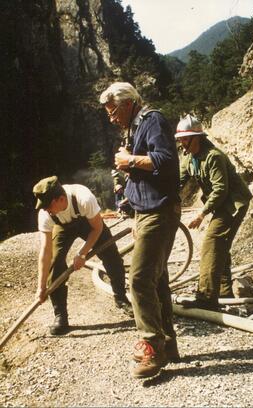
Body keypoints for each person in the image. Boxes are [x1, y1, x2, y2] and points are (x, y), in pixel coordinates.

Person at [100, 82, 181, 379]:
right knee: (157, 277)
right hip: (148, 211)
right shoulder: (135, 127)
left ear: (127, 103)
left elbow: (167, 161)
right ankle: (168, 344)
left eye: (112, 110)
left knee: (139, 279)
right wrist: (135, 215)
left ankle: (151, 347)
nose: (110, 117)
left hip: (158, 210)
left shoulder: (152, 120)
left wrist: (129, 160)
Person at [32, 176, 133, 336]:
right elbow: (45, 251)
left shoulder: (83, 197)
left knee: (111, 256)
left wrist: (82, 253)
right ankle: (60, 316)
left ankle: (121, 298)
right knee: (54, 262)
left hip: (89, 224)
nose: (46, 210)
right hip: (62, 227)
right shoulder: (46, 213)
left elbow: (97, 228)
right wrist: (41, 287)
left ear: (61, 199)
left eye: (48, 206)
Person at [175, 114, 252, 311]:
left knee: (212, 242)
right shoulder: (189, 158)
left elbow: (221, 189)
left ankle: (206, 298)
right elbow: (179, 183)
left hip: (234, 203)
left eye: (185, 138)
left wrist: (202, 213)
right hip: (222, 203)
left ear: (197, 137)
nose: (182, 143)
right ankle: (224, 292)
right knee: (220, 245)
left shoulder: (213, 156)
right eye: (180, 139)